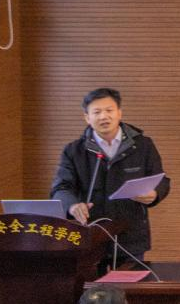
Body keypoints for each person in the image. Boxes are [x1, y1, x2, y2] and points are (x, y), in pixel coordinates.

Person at [51, 88, 171, 265]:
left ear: (119, 113)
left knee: (130, 282)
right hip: (90, 235)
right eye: (97, 112)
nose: (103, 116)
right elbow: (61, 187)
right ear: (87, 118)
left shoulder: (142, 145)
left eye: (109, 110)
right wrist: (73, 205)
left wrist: (155, 194)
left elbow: (161, 180)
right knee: (89, 283)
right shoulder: (74, 151)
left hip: (131, 235)